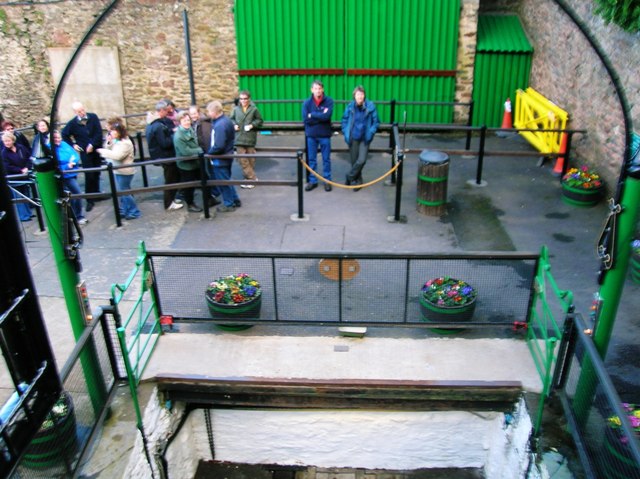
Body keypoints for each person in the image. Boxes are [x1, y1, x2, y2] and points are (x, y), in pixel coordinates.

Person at [61, 102, 103, 212]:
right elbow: (64, 134)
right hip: (85, 152)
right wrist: (73, 145)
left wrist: (93, 144)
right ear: (75, 113)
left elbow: (98, 132)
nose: (82, 113)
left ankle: (97, 193)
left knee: (97, 172)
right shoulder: (72, 123)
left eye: (83, 110)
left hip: (96, 149)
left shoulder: (93, 117)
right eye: (79, 111)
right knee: (89, 174)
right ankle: (90, 199)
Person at [97, 118, 141, 220]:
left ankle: (133, 211)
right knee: (124, 191)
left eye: (112, 131)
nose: (110, 133)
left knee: (125, 192)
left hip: (124, 171)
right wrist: (108, 143)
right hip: (118, 170)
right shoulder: (118, 141)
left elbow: (118, 156)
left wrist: (103, 151)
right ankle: (126, 210)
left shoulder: (125, 142)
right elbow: (111, 148)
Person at [145, 100, 183, 211]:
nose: (169, 112)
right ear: (161, 111)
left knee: (172, 178)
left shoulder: (154, 123)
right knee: (170, 179)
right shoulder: (157, 126)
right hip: (166, 156)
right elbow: (165, 143)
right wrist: (174, 134)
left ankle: (171, 199)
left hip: (163, 156)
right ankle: (169, 203)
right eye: (166, 110)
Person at [341, 86, 380, 191]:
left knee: (361, 160)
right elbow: (344, 120)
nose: (360, 97)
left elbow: (376, 122)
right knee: (354, 161)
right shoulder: (350, 107)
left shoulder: (370, 106)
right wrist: (345, 132)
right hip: (353, 137)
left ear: (364, 96)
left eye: (362, 94)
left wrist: (371, 132)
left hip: (364, 138)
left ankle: (349, 177)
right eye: (358, 94)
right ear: (354, 96)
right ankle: (358, 181)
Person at [204, 101, 239, 213]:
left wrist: (209, 153)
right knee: (227, 179)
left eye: (209, 111)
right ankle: (235, 200)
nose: (208, 114)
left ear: (214, 111)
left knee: (223, 182)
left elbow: (218, 145)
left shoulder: (220, 125)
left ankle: (229, 204)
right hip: (227, 156)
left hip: (220, 158)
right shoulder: (226, 120)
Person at [302, 79, 334, 192]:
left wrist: (313, 115)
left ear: (323, 89)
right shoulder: (306, 103)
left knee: (326, 159)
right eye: (315, 88)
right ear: (312, 90)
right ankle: (313, 181)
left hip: (325, 135)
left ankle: (327, 180)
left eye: (320, 88)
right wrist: (320, 116)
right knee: (312, 159)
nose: (318, 91)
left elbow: (327, 117)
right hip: (311, 135)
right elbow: (306, 119)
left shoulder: (329, 101)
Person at [230, 90, 263, 188]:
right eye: (241, 99)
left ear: (249, 99)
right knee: (242, 160)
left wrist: (252, 125)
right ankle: (253, 179)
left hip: (250, 138)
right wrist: (234, 125)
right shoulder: (236, 109)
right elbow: (231, 119)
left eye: (245, 99)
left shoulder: (254, 109)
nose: (243, 101)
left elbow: (260, 121)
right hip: (239, 138)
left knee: (251, 159)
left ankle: (248, 179)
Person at [53, 130, 87, 225]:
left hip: (72, 173)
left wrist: (73, 161)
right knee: (76, 194)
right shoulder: (51, 148)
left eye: (59, 137)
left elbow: (74, 154)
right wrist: (67, 165)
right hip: (64, 175)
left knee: (73, 195)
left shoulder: (64, 144)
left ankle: (75, 215)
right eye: (55, 138)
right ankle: (77, 216)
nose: (58, 140)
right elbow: (55, 165)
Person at [173, 111, 204, 213]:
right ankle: (190, 204)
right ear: (179, 122)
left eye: (188, 120)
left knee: (204, 179)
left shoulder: (189, 129)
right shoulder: (179, 136)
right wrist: (199, 150)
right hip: (186, 165)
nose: (187, 122)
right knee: (189, 186)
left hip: (195, 162)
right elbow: (185, 152)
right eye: (184, 120)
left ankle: (209, 199)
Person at [1, 131, 32, 221]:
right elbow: (7, 166)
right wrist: (20, 170)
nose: (7, 143)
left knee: (26, 194)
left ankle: (28, 213)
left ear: (13, 140)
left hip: (24, 175)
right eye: (5, 141)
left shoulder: (21, 148)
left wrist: (27, 167)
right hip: (14, 177)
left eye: (8, 141)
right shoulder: (4, 153)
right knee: (18, 197)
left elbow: (29, 157)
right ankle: (24, 216)